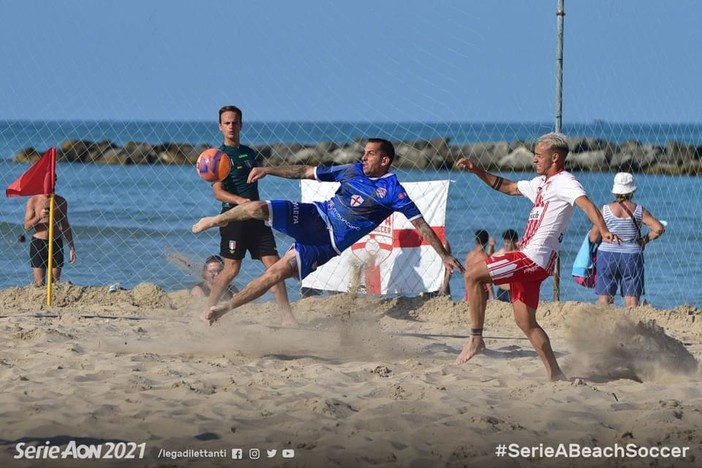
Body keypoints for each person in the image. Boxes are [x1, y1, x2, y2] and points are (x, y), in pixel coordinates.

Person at [193, 138, 465, 325]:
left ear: (385, 160)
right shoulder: (352, 170)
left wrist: (443, 256)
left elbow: (421, 226)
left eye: (370, 153)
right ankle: (215, 220)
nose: (363, 156)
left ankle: (224, 310)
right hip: (315, 216)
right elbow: (306, 171)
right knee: (257, 208)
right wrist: (268, 170)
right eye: (364, 152)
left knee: (274, 274)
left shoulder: (394, 192)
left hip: (326, 244)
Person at [456, 132, 620, 381]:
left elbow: (586, 204)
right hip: (533, 262)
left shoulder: (566, 182)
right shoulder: (540, 184)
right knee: (526, 323)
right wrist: (477, 170)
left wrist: (604, 230)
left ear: (554, 158)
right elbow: (508, 187)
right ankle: (556, 374)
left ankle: (476, 339)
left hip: (533, 259)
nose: (534, 159)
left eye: (538, 155)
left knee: (473, 275)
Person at [207, 105, 296, 326]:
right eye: (226, 123)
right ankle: (206, 311)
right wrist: (239, 201)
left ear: (241, 125)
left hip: (257, 218)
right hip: (234, 218)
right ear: (220, 127)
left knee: (275, 267)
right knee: (231, 270)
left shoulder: (249, 153)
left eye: (235, 122)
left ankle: (287, 316)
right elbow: (217, 191)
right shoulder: (219, 156)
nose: (231, 126)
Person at [588, 172, 665, 308]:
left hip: (607, 255)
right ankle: (631, 326)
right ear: (632, 191)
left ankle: (603, 325)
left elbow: (593, 237)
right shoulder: (639, 210)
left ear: (615, 192)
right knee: (632, 299)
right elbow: (659, 228)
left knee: (605, 298)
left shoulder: (605, 210)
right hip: (632, 256)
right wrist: (643, 240)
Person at [24, 194, 76, 286]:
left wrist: (71, 247)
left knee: (55, 283)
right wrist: (39, 217)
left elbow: (65, 225)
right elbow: (27, 226)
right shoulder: (33, 200)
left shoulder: (61, 201)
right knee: (39, 284)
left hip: (56, 242)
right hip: (38, 243)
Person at [464, 230, 495, 301]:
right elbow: (488, 280)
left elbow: (466, 274)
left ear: (476, 241)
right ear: (487, 241)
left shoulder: (469, 255)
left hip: (469, 289)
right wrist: (492, 295)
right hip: (482, 290)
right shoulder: (485, 257)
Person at [492, 229, 520, 302]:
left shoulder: (519, 253)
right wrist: (491, 247)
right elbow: (489, 259)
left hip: (512, 291)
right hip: (501, 291)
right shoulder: (502, 252)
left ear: (515, 241)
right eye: (505, 242)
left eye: (508, 242)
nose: (506, 244)